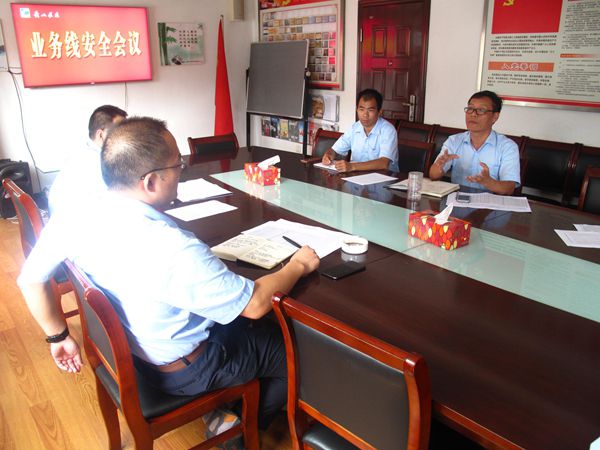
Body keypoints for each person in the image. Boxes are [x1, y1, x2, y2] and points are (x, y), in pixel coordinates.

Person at [17, 117, 320, 439]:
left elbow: (30, 279)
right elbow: (256, 305)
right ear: (150, 182)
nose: (181, 173)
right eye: (178, 166)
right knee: (295, 352)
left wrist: (58, 337)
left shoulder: (76, 214)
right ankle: (239, 433)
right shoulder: (172, 247)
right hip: (184, 369)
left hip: (134, 354)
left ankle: (231, 410)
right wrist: (298, 265)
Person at [429, 90, 520, 195]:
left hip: (490, 203)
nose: (473, 114)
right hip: (457, 200)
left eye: (481, 110)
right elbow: (433, 176)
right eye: (470, 109)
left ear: (495, 117)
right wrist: (439, 166)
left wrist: (489, 182)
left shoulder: (507, 147)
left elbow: (508, 188)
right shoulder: (454, 141)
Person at [48, 104, 127, 214]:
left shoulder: (82, 151)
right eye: (120, 131)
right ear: (100, 135)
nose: (127, 136)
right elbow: (119, 203)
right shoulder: (95, 163)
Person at [322, 89, 398, 172]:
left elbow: (384, 163)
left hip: (384, 176)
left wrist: (352, 166)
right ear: (357, 110)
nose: (365, 115)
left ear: (379, 112)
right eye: (361, 109)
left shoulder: (388, 130)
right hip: (357, 175)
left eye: (370, 110)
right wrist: (328, 155)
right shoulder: (355, 128)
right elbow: (334, 150)